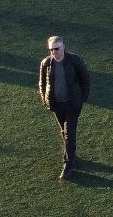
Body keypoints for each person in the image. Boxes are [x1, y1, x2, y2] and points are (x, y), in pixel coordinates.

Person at [38, 36, 91, 180]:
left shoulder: (75, 60)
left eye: (57, 48)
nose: (54, 52)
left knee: (69, 133)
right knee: (64, 131)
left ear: (63, 47)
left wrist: (82, 98)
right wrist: (44, 99)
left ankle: (68, 164)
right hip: (56, 105)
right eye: (51, 49)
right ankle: (72, 154)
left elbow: (85, 78)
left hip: (72, 104)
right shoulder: (46, 63)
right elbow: (42, 83)